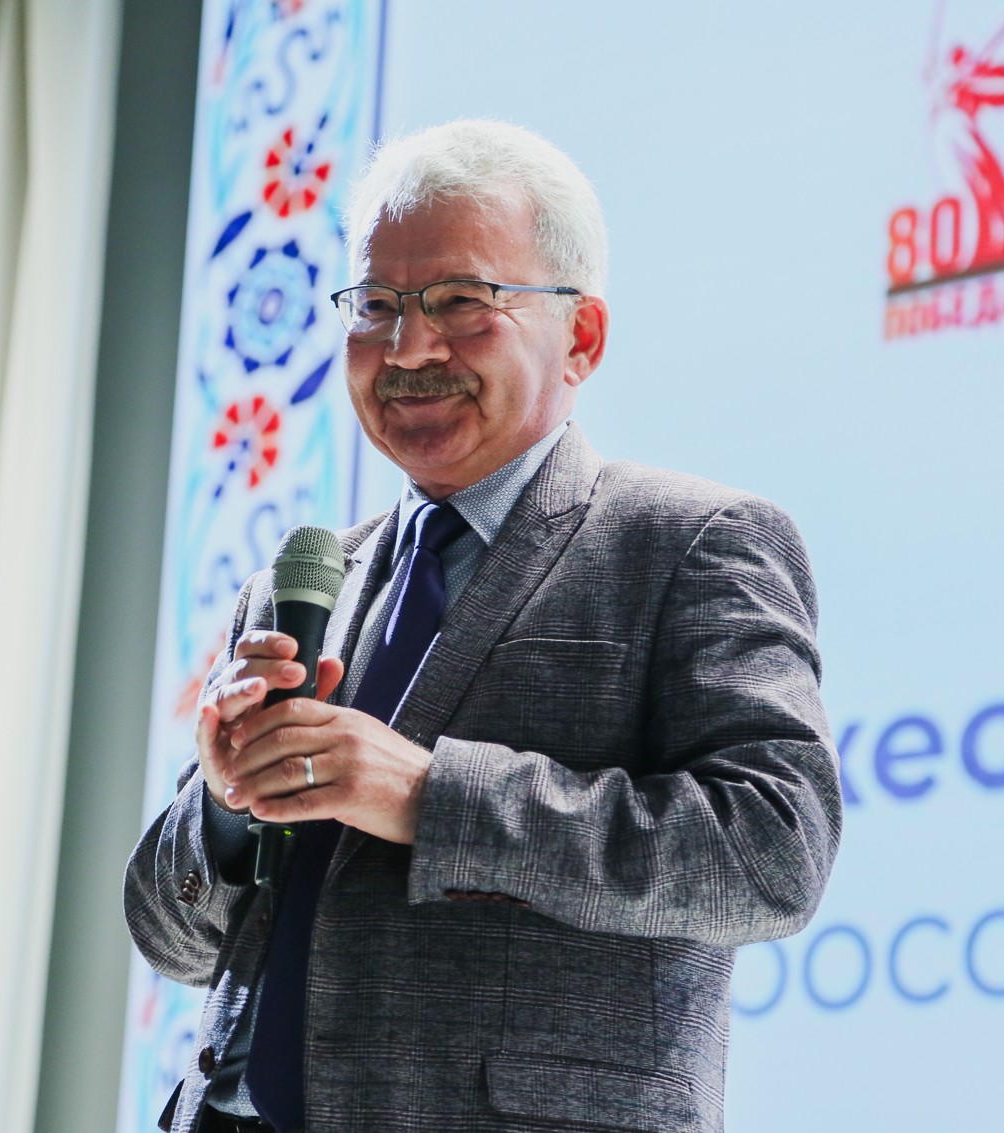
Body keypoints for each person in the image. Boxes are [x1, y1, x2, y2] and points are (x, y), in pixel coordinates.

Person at [125, 120, 842, 1133]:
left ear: (581, 337)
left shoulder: (690, 542)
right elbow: (171, 939)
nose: (409, 348)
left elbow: (769, 852)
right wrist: (229, 803)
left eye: (461, 302)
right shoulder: (300, 587)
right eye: (376, 306)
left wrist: (426, 794)